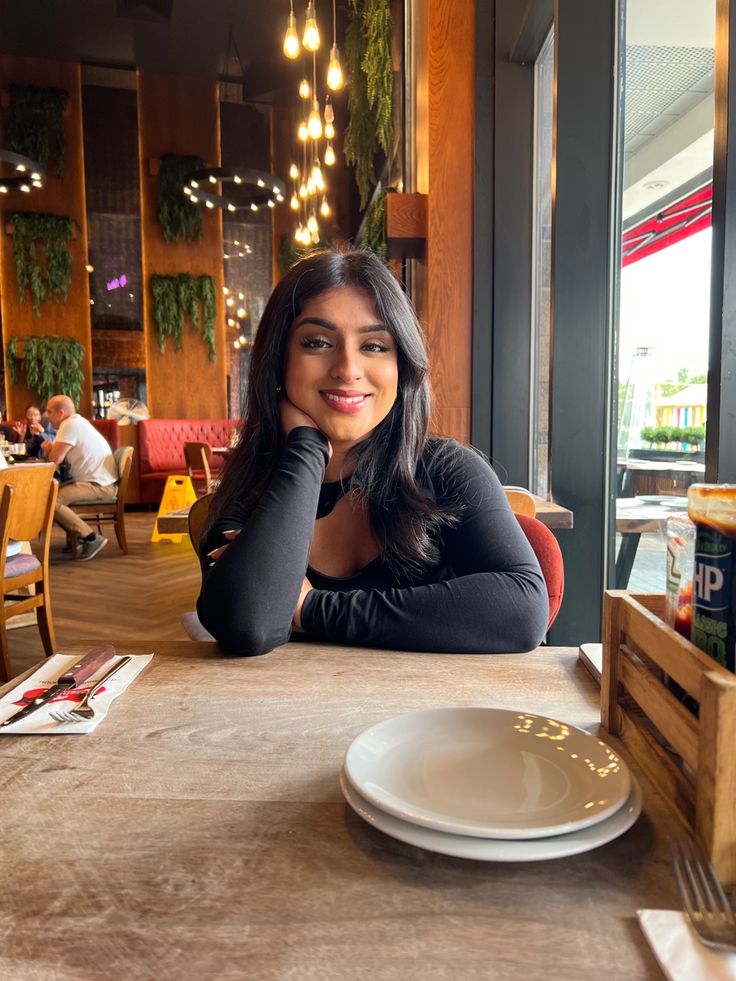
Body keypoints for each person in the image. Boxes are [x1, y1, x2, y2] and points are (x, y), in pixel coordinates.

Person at [197, 249, 548, 656]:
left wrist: (313, 608)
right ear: (279, 362)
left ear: (402, 367)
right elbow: (247, 622)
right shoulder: (250, 486)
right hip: (293, 715)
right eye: (317, 342)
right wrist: (307, 450)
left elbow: (521, 611)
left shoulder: (447, 470)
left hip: (431, 716)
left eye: (375, 346)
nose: (347, 369)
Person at [42, 395, 117, 561]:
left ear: (61, 413)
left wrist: (49, 450)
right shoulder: (76, 422)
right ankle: (77, 539)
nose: (46, 415)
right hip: (98, 482)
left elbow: (55, 460)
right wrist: (52, 451)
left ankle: (90, 538)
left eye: (49, 411)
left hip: (100, 486)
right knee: (50, 495)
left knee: (50, 500)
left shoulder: (69, 425)